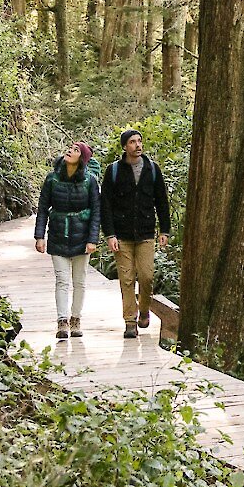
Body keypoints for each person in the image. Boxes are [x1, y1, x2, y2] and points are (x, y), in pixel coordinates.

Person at [102, 129, 171, 338]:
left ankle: (144, 309)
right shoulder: (113, 171)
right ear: (125, 147)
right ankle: (130, 321)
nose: (137, 145)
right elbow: (105, 204)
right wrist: (110, 234)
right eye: (132, 142)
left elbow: (161, 200)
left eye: (139, 141)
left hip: (145, 233)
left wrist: (165, 230)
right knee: (127, 279)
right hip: (121, 235)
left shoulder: (152, 169)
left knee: (147, 276)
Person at [35, 141, 101, 342]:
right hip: (57, 234)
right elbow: (43, 207)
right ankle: (62, 321)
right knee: (62, 280)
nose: (69, 151)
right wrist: (39, 236)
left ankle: (76, 319)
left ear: (82, 158)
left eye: (75, 150)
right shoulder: (52, 179)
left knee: (79, 281)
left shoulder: (90, 181)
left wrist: (92, 239)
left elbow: (96, 212)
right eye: (70, 148)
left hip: (82, 237)